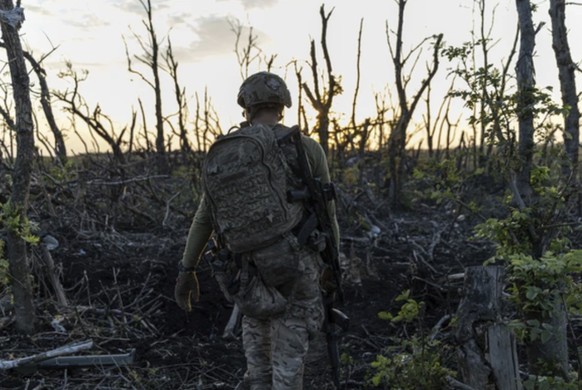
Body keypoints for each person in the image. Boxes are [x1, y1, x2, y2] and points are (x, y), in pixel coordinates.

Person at [174, 71, 340, 390]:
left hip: (248, 269)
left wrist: (187, 269)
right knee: (289, 359)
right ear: (282, 107)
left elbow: (204, 217)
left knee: (259, 357)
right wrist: (334, 262)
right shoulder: (307, 148)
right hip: (297, 264)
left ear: (246, 110)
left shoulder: (231, 154)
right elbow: (327, 212)